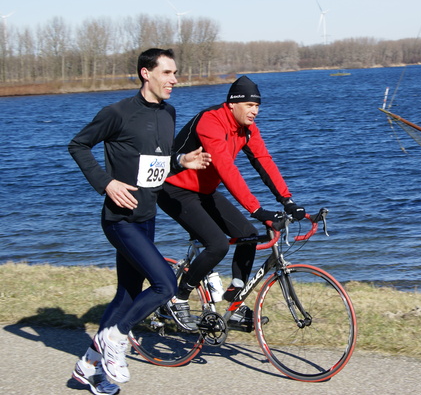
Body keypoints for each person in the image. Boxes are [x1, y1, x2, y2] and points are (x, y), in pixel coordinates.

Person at [68, 48, 211, 394]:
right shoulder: (116, 113)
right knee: (165, 285)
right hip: (120, 220)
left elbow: (153, 164)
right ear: (146, 73)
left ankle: (88, 366)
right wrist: (107, 183)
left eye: (175, 73)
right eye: (167, 73)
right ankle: (116, 339)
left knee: (127, 296)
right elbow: (78, 145)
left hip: (147, 217)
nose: (175, 80)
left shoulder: (169, 113)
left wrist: (181, 161)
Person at [157, 75, 306, 332]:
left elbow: (264, 161)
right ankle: (178, 297)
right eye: (249, 105)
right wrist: (257, 210)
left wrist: (287, 200)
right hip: (174, 189)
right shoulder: (211, 121)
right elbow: (226, 169)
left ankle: (233, 302)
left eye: (257, 106)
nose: (255, 111)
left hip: (204, 190)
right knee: (217, 245)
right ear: (232, 104)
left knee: (248, 235)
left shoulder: (247, 129)